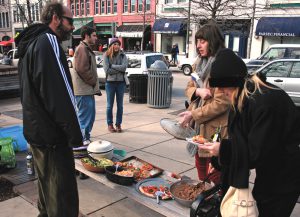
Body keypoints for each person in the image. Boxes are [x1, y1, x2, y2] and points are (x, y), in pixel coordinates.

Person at [200, 48, 300, 217]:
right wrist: (218, 158)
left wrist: (222, 150)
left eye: (225, 89)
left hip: (285, 175)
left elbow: (256, 152)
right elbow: (238, 138)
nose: (223, 93)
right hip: (270, 168)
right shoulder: (244, 95)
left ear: (234, 82)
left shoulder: (264, 103)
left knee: (269, 210)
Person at [16, 2, 83, 217]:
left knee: (47, 196)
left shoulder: (30, 43)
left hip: (37, 135)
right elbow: (62, 95)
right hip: (53, 139)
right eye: (70, 21)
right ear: (55, 17)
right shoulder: (48, 41)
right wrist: (77, 137)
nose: (72, 27)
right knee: (63, 201)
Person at [179, 24, 230, 185]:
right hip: (198, 128)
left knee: (215, 176)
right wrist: (198, 92)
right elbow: (188, 87)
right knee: (201, 172)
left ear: (213, 41)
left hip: (216, 130)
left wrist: (194, 114)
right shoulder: (199, 63)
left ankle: (219, 206)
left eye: (202, 41)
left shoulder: (222, 65)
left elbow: (222, 103)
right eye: (197, 41)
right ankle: (207, 201)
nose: (198, 45)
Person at [71, 26, 100, 146]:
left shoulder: (85, 48)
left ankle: (85, 138)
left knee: (89, 116)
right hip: (84, 90)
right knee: (85, 117)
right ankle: (82, 141)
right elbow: (81, 68)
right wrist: (93, 81)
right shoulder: (82, 48)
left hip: (87, 90)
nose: (96, 38)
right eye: (93, 35)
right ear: (86, 36)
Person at [103, 38, 128, 133]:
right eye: (115, 44)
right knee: (109, 105)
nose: (117, 46)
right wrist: (119, 69)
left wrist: (112, 66)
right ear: (111, 45)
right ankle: (110, 124)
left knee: (120, 106)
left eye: (118, 44)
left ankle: (118, 124)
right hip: (110, 83)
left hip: (121, 83)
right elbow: (107, 70)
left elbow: (124, 67)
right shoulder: (106, 55)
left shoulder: (123, 55)